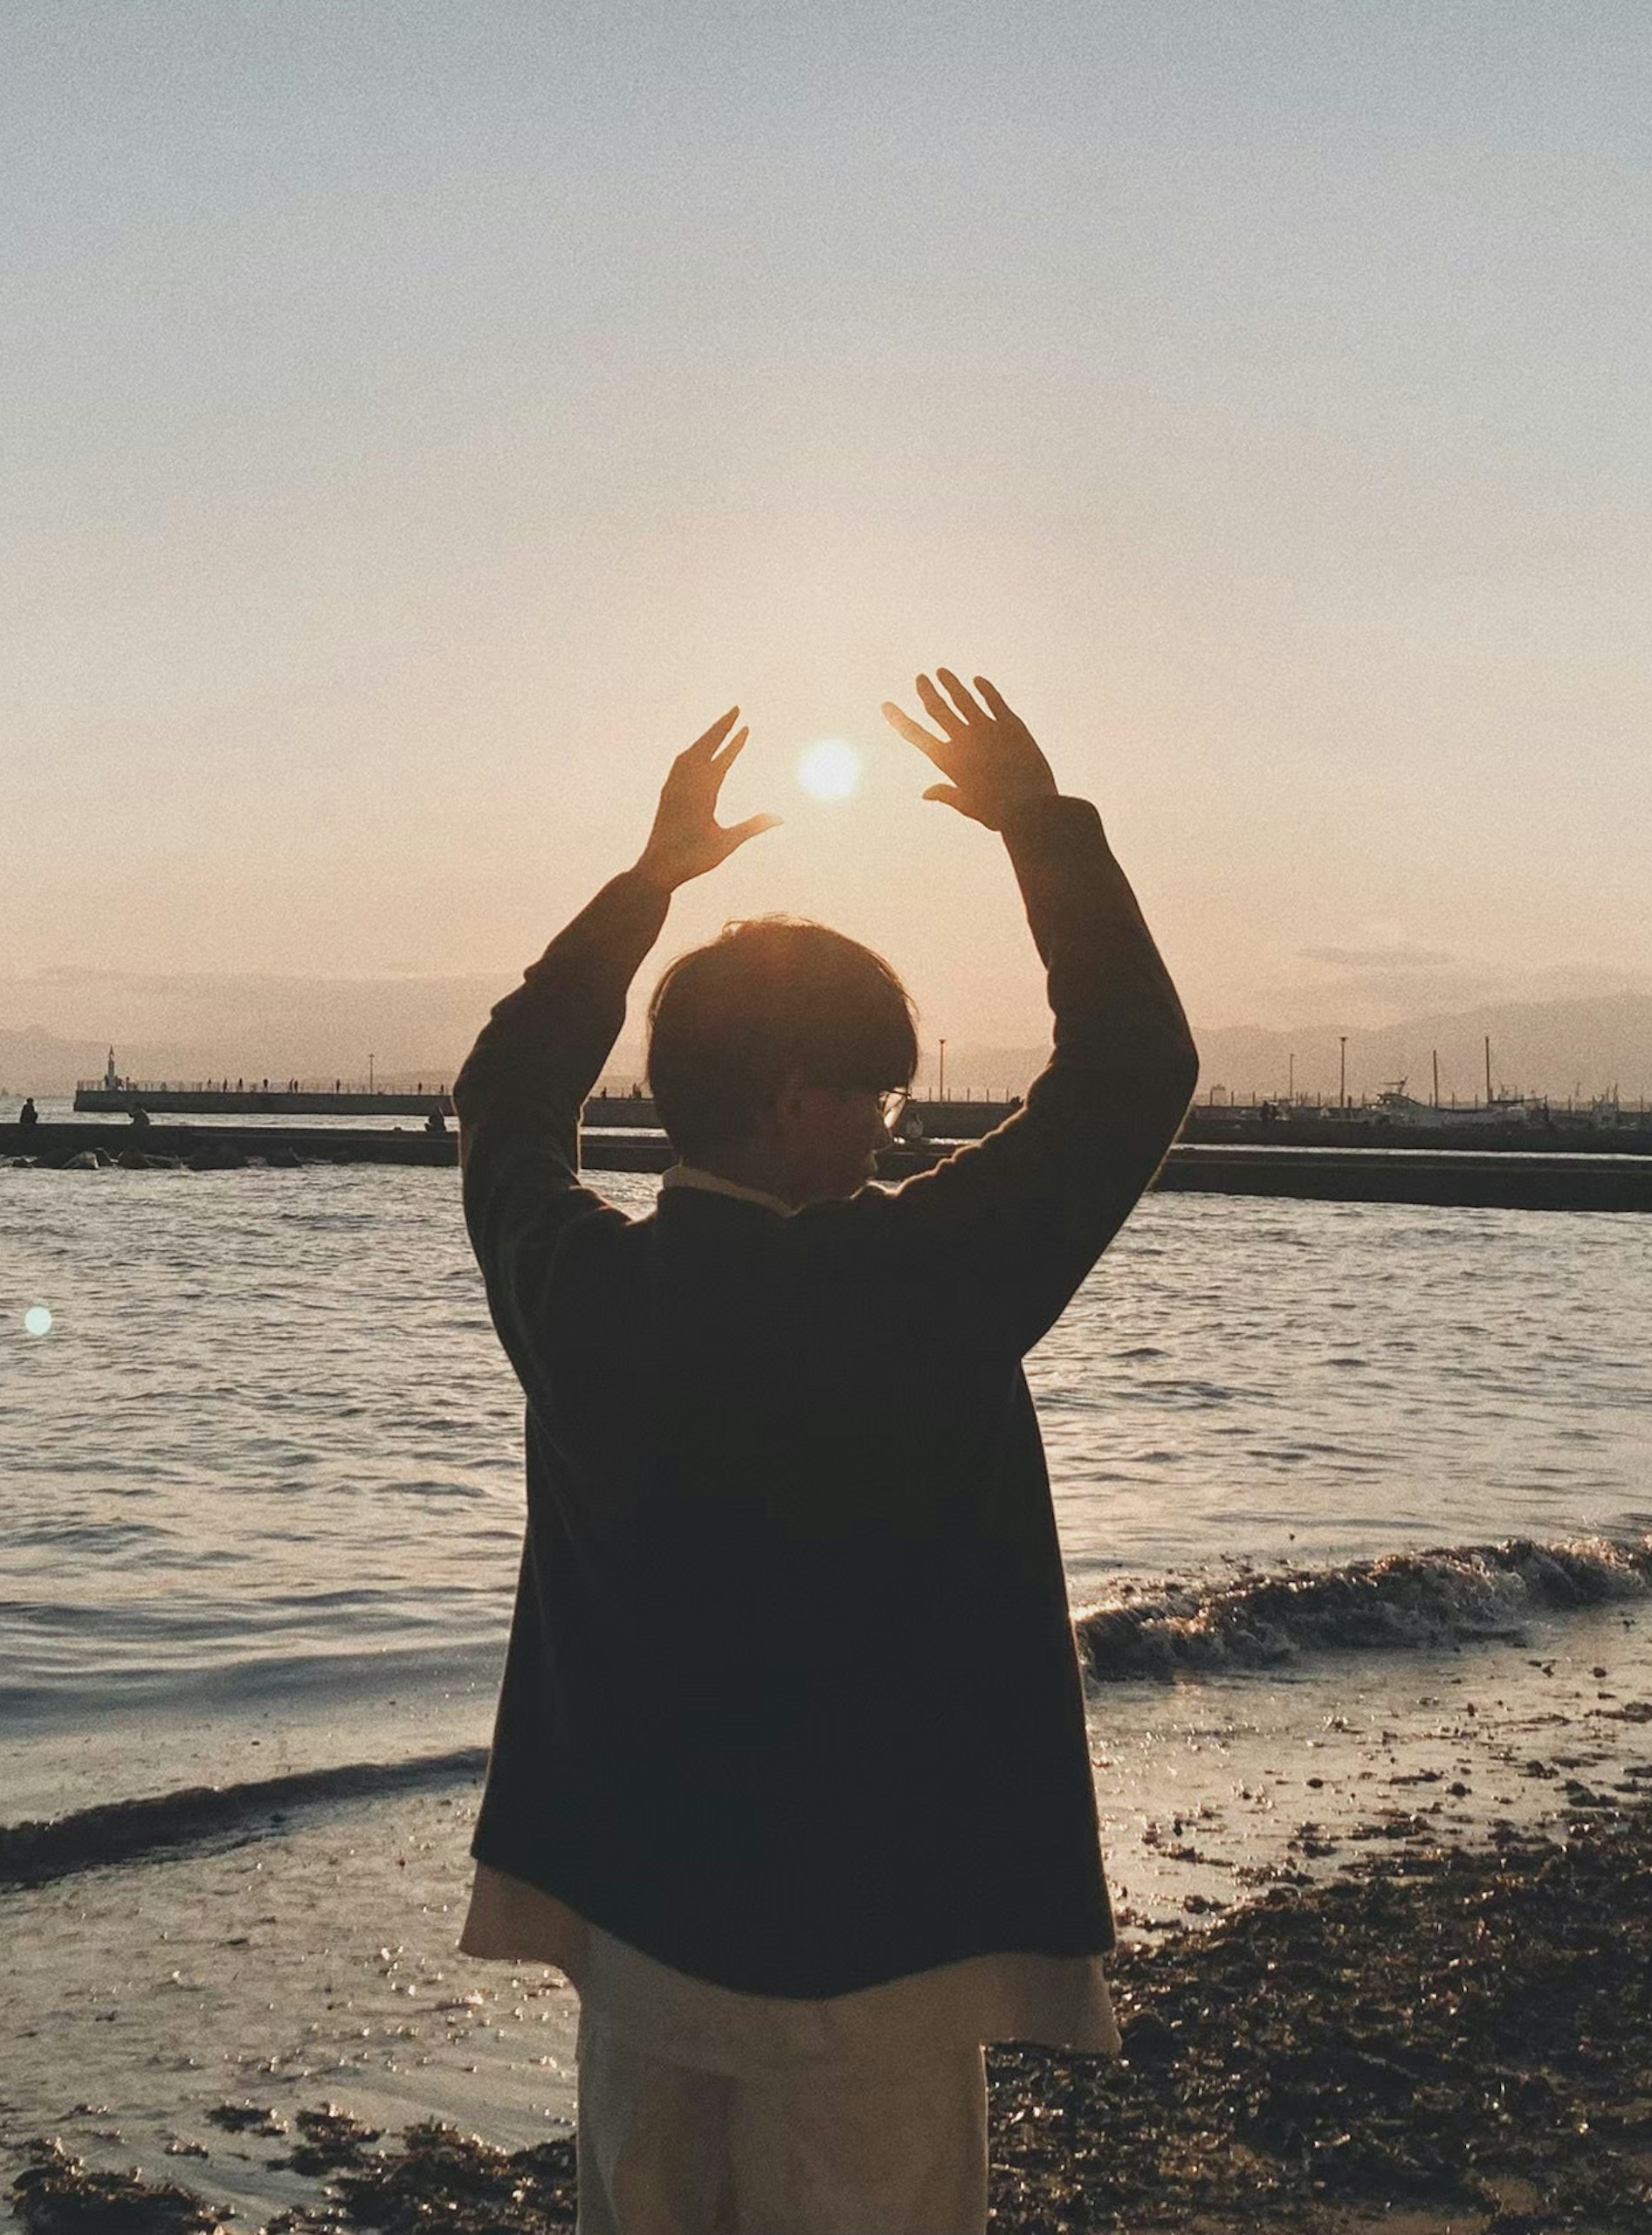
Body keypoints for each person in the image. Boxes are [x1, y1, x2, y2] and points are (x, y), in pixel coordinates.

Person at [450, 673, 1195, 2235]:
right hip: (884, 1920)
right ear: (801, 1100)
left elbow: (507, 1098)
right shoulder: (931, 1280)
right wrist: (1038, 827)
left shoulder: (579, 1291)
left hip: (645, 1907)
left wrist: (648, 888)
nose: (895, 1125)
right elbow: (1132, 1070)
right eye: (878, 1090)